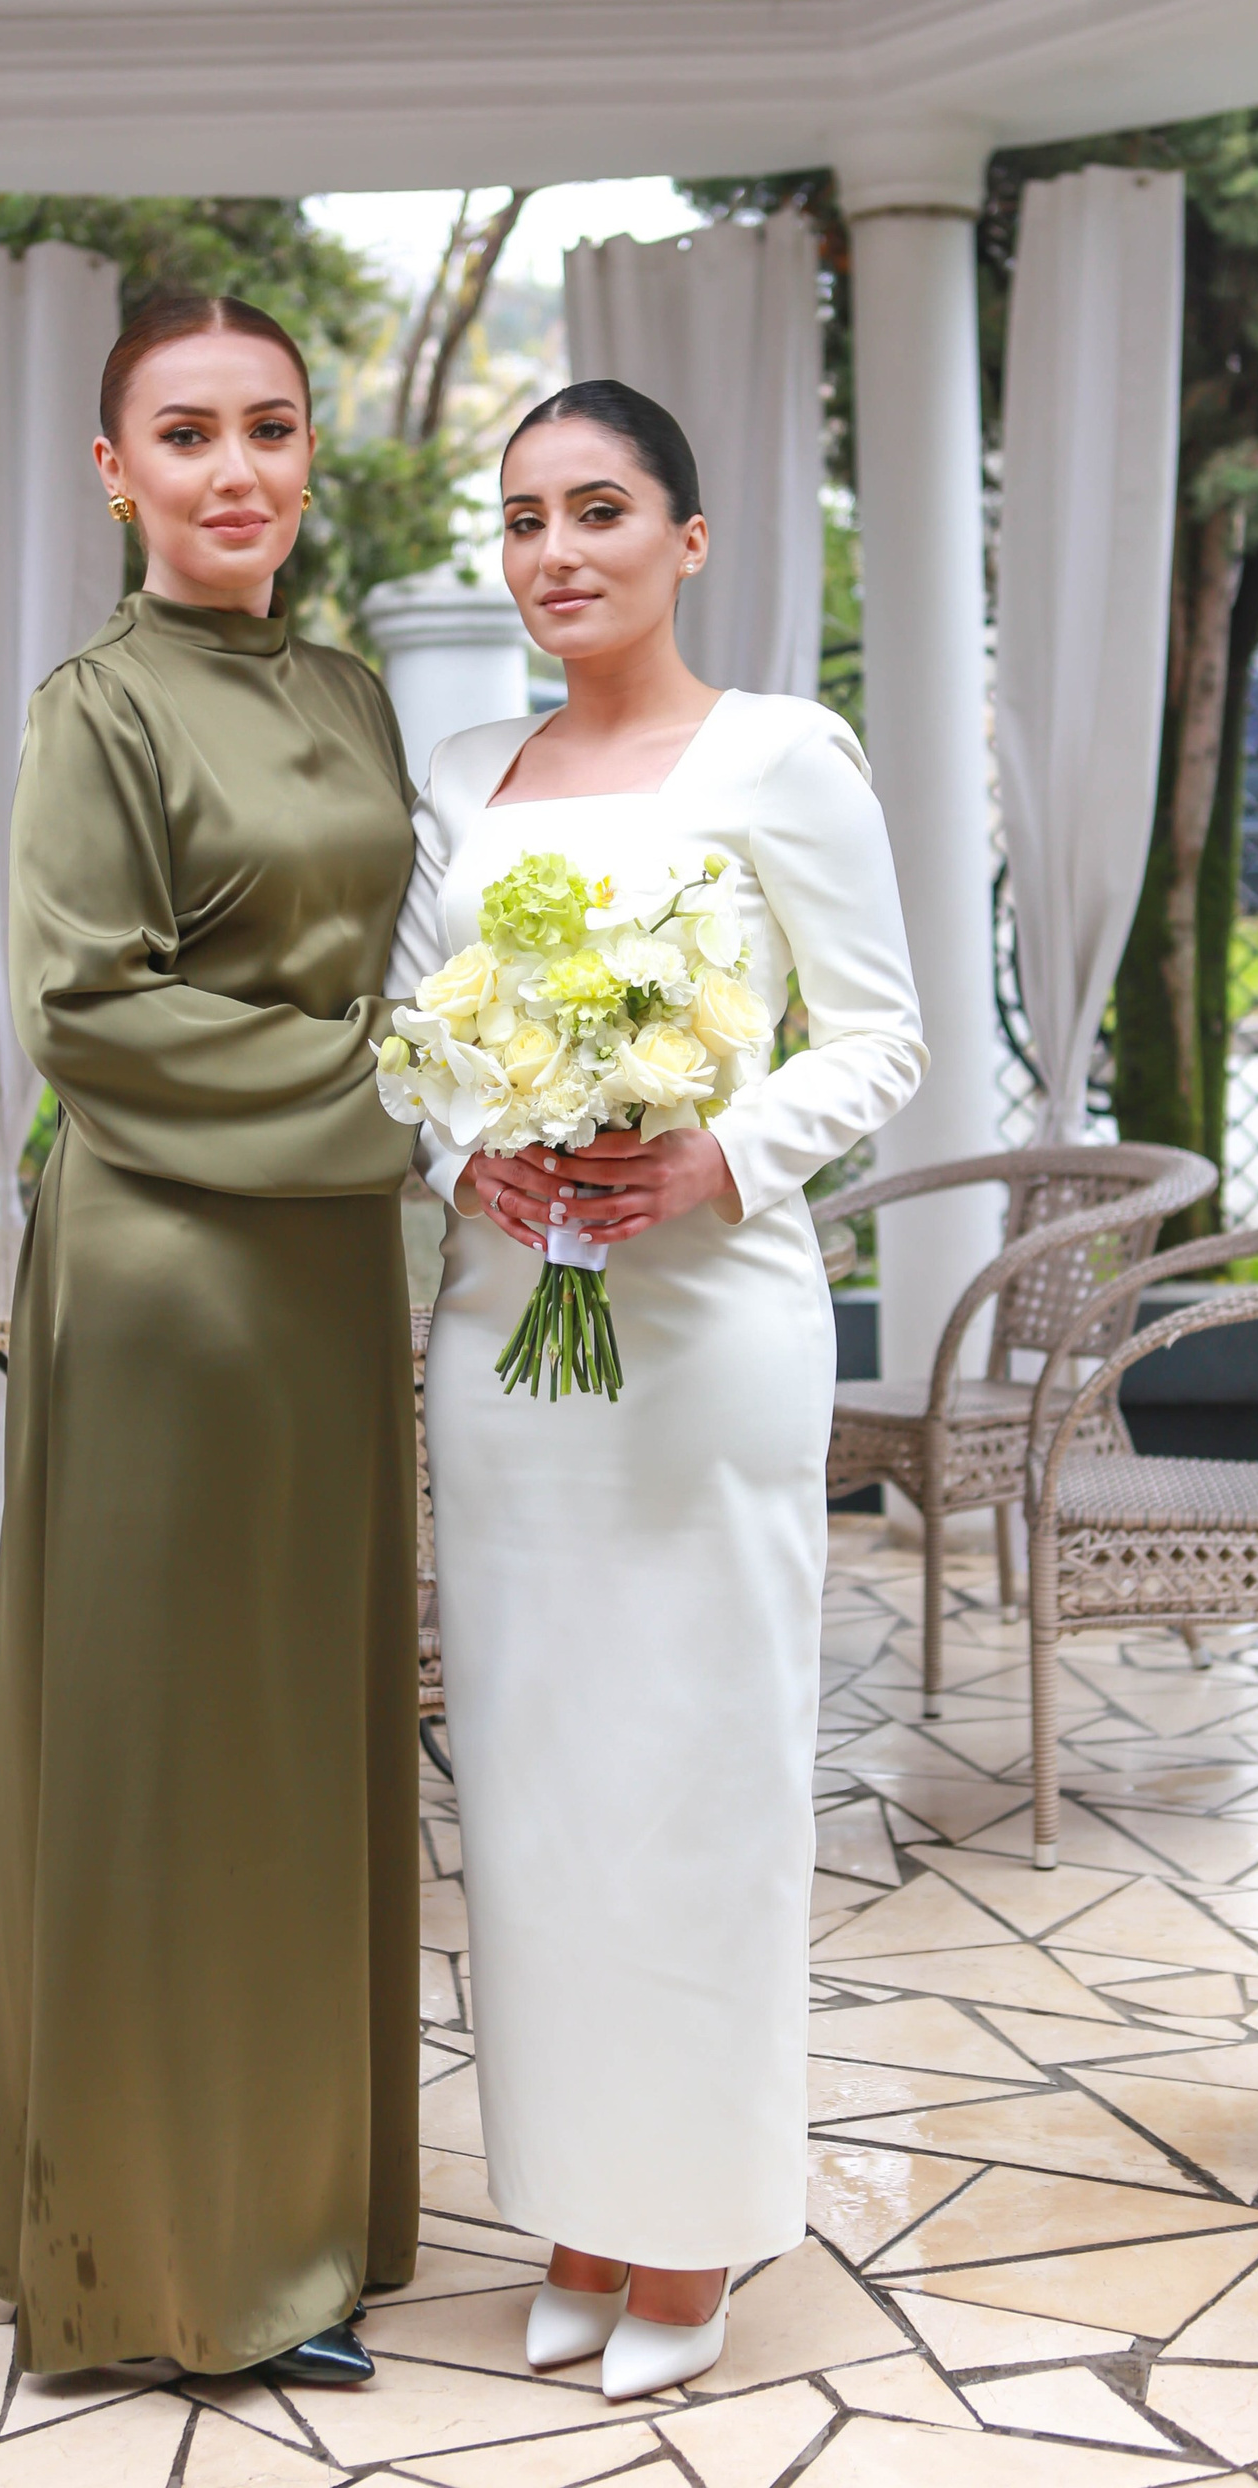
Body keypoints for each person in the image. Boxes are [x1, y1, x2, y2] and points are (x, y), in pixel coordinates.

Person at [389, 379, 927, 2401]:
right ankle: (578, 2209)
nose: (557, 553)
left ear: (689, 539)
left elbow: (880, 1036)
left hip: (711, 1336)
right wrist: (473, 1153)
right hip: (503, 1339)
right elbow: (409, 1038)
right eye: (525, 518)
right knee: (532, 1787)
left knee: (698, 1773)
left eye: (600, 510)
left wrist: (719, 1149)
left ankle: (696, 2224)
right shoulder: (462, 775)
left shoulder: (783, 754)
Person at [0, 292, 421, 2385]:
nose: (235, 470)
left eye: (271, 426)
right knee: (177, 1755)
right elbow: (88, 1010)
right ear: (114, 473)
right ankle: (170, 2262)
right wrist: (399, 1097)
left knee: (310, 1734)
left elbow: (392, 960)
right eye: (186, 435)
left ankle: (305, 2217)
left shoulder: (348, 690)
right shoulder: (96, 708)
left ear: (309, 451)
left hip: (326, 1269)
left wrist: (466, 1073)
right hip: (169, 1271)